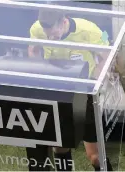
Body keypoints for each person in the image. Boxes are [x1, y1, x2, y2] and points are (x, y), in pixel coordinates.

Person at [28, 8, 113, 171]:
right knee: (60, 147)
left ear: (64, 22)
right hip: (57, 91)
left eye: (54, 35)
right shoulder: (37, 28)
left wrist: (94, 82)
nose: (51, 38)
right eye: (47, 35)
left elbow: (106, 56)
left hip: (84, 92)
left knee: (94, 155)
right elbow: (33, 49)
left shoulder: (88, 31)